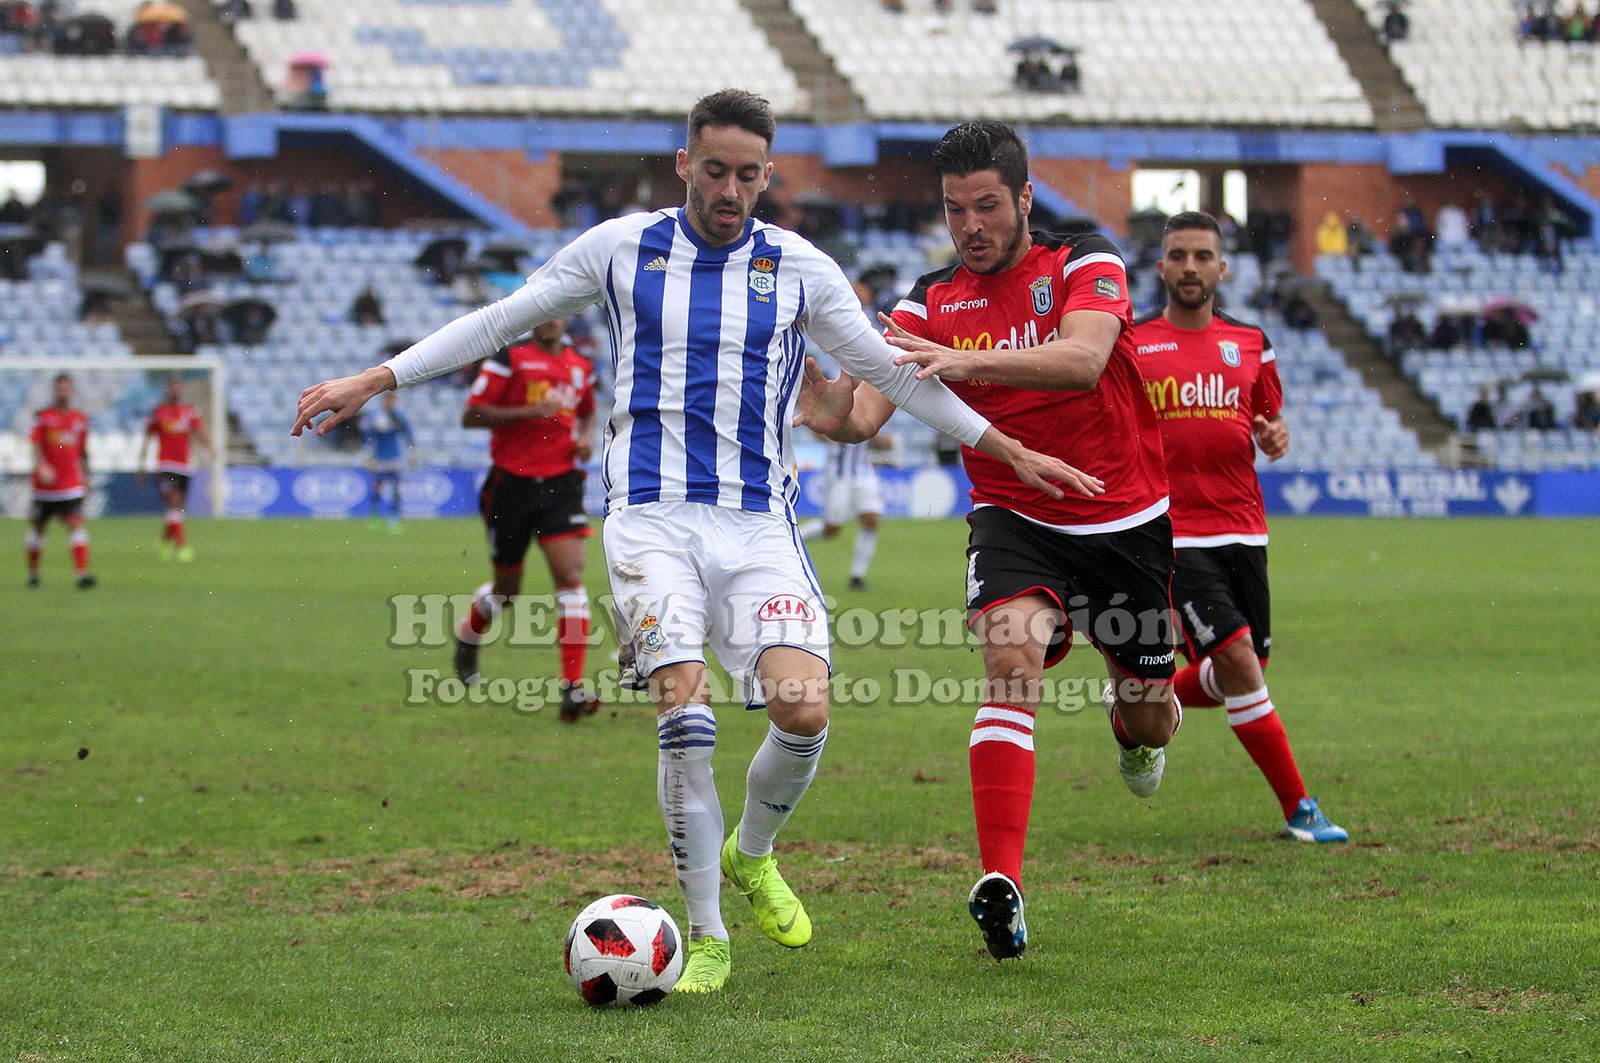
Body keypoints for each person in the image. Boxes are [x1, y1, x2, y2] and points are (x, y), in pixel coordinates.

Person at [290, 90, 1090, 993]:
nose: (730, 190)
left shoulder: (799, 267)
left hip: (759, 521)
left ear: (767, 174)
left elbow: (892, 375)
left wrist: (1007, 448)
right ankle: (706, 934)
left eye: (748, 174)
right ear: (684, 164)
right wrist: (378, 377)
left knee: (804, 710)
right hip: (650, 517)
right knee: (688, 710)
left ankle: (753, 852)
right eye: (714, 170)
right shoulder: (621, 248)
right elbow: (500, 320)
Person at [797, 121, 1176, 963]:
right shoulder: (928, 298)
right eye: (954, 209)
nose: (970, 226)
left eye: (987, 206)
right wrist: (836, 418)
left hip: (1121, 519)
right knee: (1010, 659)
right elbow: (871, 406)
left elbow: (1083, 359)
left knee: (1151, 712)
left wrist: (965, 363)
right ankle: (1003, 881)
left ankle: (1133, 728)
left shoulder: (1084, 259)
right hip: (1013, 514)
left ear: (1026, 198)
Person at [1130, 211, 1348, 844]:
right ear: (1161, 266)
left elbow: (1267, 421)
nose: (1190, 267)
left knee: (1242, 674)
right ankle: (1301, 809)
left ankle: (1140, 706)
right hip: (1174, 534)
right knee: (1240, 664)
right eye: (1178, 255)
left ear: (1222, 268)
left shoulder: (1253, 342)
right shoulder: (1133, 343)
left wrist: (1276, 436)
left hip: (1245, 531)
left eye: (1203, 256)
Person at [449, 316, 598, 718]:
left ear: (567, 316)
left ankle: (572, 686)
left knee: (570, 575)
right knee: (506, 591)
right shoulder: (510, 358)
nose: (550, 318)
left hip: (561, 483)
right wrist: (530, 410)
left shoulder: (581, 365)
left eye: (558, 312)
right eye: (544, 311)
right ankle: (469, 635)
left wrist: (585, 439)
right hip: (510, 486)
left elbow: (587, 411)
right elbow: (471, 415)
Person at [27, 373, 95, 589]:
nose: (63, 392)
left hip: (70, 484)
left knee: (76, 524)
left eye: (66, 388)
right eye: (60, 388)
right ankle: (33, 574)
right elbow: (36, 444)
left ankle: (82, 574)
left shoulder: (79, 419)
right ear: (55, 391)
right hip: (46, 486)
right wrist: (42, 465)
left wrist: (87, 476)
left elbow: (83, 450)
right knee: (39, 528)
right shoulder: (43, 417)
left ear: (71, 391)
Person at [798, 435, 890, 590]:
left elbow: (874, 434)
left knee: (871, 520)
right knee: (832, 529)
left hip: (864, 473)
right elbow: (813, 426)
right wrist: (828, 435)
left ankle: (857, 576)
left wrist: (881, 440)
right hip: (838, 476)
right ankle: (792, 537)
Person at [140, 375, 212, 561]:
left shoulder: (188, 411)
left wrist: (211, 447)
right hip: (166, 464)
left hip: (184, 465)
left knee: (178, 507)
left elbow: (198, 431)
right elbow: (148, 438)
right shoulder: (158, 412)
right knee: (174, 501)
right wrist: (142, 465)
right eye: (173, 386)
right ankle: (181, 546)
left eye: (178, 386)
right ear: (168, 388)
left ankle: (164, 541)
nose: (175, 389)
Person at [361, 390, 413, 533]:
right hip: (379, 457)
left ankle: (394, 518)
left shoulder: (398, 416)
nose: (390, 403)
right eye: (387, 400)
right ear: (383, 401)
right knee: (377, 488)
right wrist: (367, 454)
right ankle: (374, 515)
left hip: (395, 457)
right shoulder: (376, 416)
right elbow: (368, 436)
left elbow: (407, 433)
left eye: (392, 400)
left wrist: (412, 452)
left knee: (397, 489)